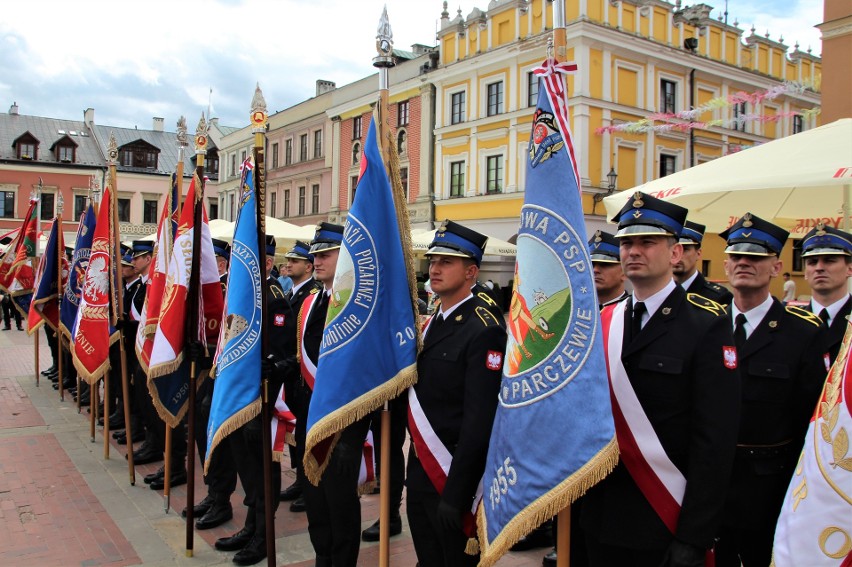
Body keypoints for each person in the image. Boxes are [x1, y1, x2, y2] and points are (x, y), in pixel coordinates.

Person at [581, 192, 741, 567]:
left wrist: (694, 534)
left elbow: (714, 441)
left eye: (647, 242)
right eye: (626, 242)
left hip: (665, 513)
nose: (633, 251)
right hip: (601, 513)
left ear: (674, 254)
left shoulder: (706, 325)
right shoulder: (602, 323)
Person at [715, 213, 828, 567]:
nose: (744, 263)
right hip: (711, 479)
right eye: (736, 255)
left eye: (757, 256)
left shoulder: (804, 333)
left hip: (770, 484)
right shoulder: (706, 325)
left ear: (777, 267)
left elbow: (809, 416)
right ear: (725, 264)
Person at [406, 220, 507, 566]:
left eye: (446, 262)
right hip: (420, 467)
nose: (434, 268)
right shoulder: (434, 320)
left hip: (452, 474)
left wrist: (457, 493)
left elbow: (479, 423)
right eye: (433, 261)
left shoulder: (483, 329)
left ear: (471, 272)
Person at [299, 223, 372, 567]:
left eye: (325, 254)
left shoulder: (356, 306)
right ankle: (322, 558)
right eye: (315, 255)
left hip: (343, 424)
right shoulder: (311, 303)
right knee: (315, 501)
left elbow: (363, 373)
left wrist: (354, 435)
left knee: (340, 504)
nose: (317, 260)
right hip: (310, 417)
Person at [214, 234, 289, 566]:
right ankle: (251, 525)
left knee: (262, 470)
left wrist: (269, 365)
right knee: (246, 465)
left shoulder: (274, 299)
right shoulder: (241, 295)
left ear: (268, 264)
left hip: (264, 401)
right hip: (241, 398)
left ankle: (262, 535)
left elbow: (288, 356)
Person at [187, 237, 236, 530]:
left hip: (227, 376)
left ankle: (221, 499)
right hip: (210, 372)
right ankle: (213, 491)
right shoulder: (207, 289)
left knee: (220, 440)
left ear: (220, 263)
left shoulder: (231, 288)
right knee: (202, 433)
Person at [278, 240, 321, 513]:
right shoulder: (293, 292)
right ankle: (299, 478)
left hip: (304, 372)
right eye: (288, 260)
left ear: (308, 267)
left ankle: (308, 483)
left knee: (306, 432)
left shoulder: (312, 294)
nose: (288, 264)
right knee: (297, 431)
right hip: (291, 373)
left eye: (295, 261)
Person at [801, 223, 852, 366]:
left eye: (829, 260)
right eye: (812, 262)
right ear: (805, 272)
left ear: (850, 269)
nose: (819, 268)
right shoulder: (791, 324)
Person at [673, 220, 733, 306]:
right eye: (673, 249)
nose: (678, 254)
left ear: (698, 253)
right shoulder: (656, 292)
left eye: (685, 249)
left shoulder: (718, 298)